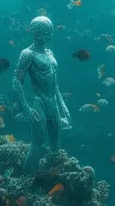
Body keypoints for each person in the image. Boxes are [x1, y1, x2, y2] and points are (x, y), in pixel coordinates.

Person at [13, 15, 72, 172]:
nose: (49, 34)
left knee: (56, 145)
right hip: (38, 102)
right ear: (36, 33)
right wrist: (25, 108)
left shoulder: (50, 53)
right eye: (46, 31)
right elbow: (17, 81)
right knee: (37, 143)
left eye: (49, 31)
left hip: (53, 103)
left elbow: (55, 84)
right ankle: (26, 179)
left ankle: (48, 180)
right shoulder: (27, 54)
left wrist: (63, 106)